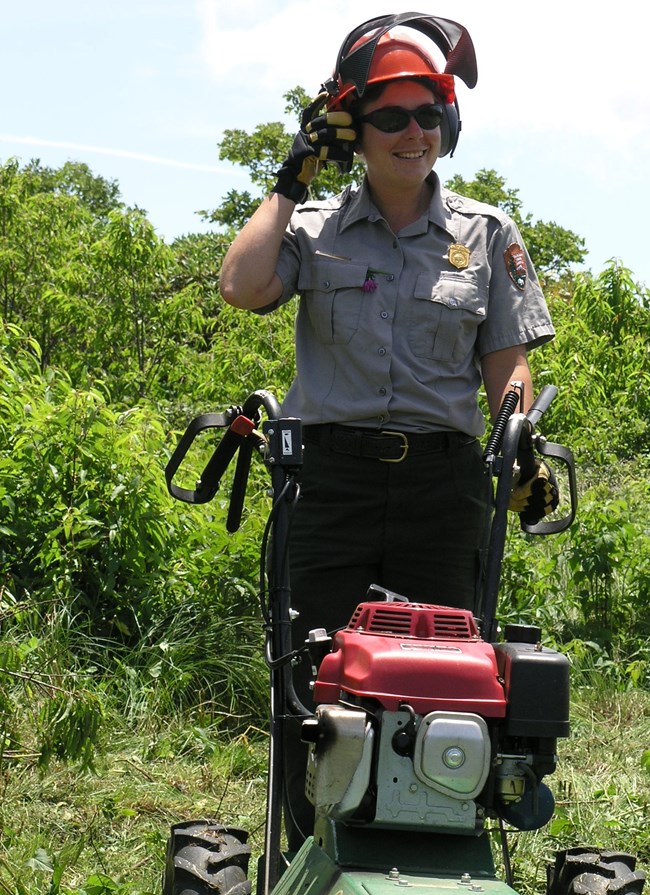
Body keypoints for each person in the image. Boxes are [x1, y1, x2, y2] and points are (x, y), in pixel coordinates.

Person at [220, 13, 558, 850]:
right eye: (391, 118)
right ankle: (308, 859)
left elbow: (506, 364)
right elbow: (241, 284)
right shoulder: (313, 229)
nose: (413, 133)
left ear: (449, 122)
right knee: (314, 695)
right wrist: (291, 175)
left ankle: (434, 855)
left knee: (450, 689)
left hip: (441, 490)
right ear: (353, 131)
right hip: (327, 484)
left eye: (428, 114)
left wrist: (517, 439)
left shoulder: (487, 235)